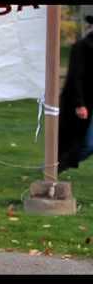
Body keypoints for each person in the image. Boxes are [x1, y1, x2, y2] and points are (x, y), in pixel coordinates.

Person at [58, 15, 93, 173]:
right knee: (86, 144)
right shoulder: (82, 47)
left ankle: (59, 165)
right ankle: (57, 167)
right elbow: (75, 76)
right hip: (82, 103)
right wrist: (79, 103)